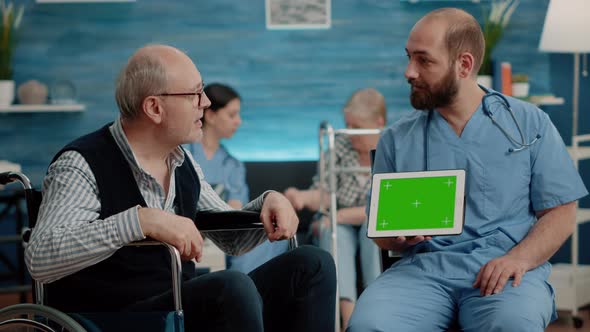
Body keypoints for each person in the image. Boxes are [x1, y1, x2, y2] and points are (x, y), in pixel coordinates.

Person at [25, 44, 336, 332]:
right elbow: (40, 258)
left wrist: (269, 202)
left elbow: (233, 240)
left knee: (312, 263)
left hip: (175, 307)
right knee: (230, 286)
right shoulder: (81, 164)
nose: (206, 103)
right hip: (111, 317)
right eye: (195, 94)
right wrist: (142, 220)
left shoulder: (181, 162)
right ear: (155, 108)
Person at [347, 8, 587, 332]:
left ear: (464, 65)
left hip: (504, 269)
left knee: (512, 324)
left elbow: (561, 211)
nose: (409, 72)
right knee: (369, 324)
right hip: (423, 273)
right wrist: (396, 238)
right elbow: (383, 236)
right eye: (408, 58)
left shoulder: (528, 123)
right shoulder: (397, 140)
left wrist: (519, 259)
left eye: (423, 60)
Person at [284, 88, 385, 330]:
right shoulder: (339, 146)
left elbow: (384, 207)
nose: (350, 134)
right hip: (340, 223)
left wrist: (339, 214)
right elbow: (325, 193)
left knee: (374, 229)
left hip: (370, 219)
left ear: (378, 123)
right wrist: (300, 197)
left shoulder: (394, 149)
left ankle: (377, 313)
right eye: (347, 125)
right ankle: (348, 321)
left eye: (357, 128)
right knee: (334, 232)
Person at [190, 83, 289, 274]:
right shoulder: (183, 156)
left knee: (274, 241)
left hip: (225, 233)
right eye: (232, 114)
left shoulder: (234, 165)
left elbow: (236, 207)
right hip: (192, 230)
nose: (238, 121)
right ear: (210, 115)